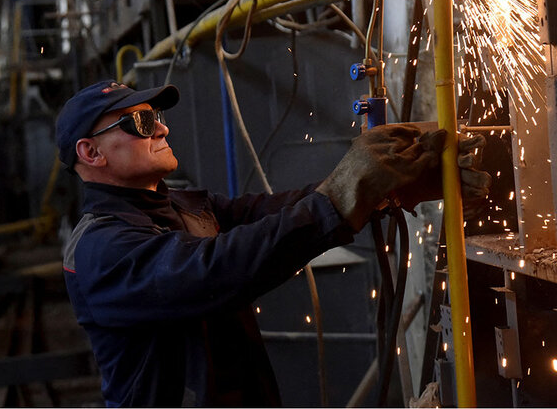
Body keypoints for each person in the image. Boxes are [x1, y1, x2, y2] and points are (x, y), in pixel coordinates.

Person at [56, 79, 490, 407]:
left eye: (157, 116)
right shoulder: (101, 249)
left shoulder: (184, 207)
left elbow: (272, 214)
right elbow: (219, 268)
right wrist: (345, 193)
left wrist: (385, 186)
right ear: (91, 153)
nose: (163, 128)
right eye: (142, 121)